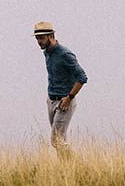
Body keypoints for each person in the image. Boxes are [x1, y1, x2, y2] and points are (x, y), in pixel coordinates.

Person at [33, 21, 87, 156]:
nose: (39, 41)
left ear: (51, 36)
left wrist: (69, 97)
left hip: (64, 102)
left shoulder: (65, 54)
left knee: (56, 140)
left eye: (42, 38)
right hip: (51, 100)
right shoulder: (47, 52)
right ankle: (65, 170)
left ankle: (78, 166)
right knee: (60, 140)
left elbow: (82, 77)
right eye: (37, 38)